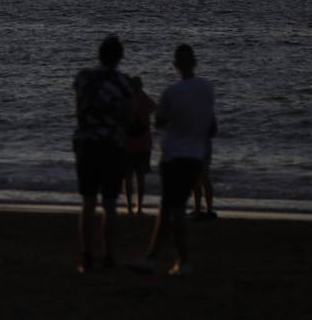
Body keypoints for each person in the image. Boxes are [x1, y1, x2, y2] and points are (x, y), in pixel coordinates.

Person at [128, 44, 217, 276]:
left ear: (175, 65)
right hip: (196, 156)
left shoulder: (172, 92)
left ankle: (163, 259)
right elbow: (212, 126)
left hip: (174, 156)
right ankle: (170, 259)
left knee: (170, 208)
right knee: (172, 208)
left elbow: (160, 123)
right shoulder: (207, 89)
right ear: (195, 62)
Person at [72, 34, 132, 274]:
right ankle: (108, 255)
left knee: (88, 201)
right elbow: (127, 117)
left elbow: (78, 110)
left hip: (86, 143)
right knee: (109, 203)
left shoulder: (84, 77)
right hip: (110, 146)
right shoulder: (123, 83)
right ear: (120, 57)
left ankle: (86, 256)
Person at [122, 75, 157, 215]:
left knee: (128, 178)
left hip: (127, 144)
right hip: (144, 144)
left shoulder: (125, 101)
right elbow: (155, 108)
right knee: (140, 178)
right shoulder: (145, 99)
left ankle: (129, 206)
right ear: (141, 86)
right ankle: (140, 207)